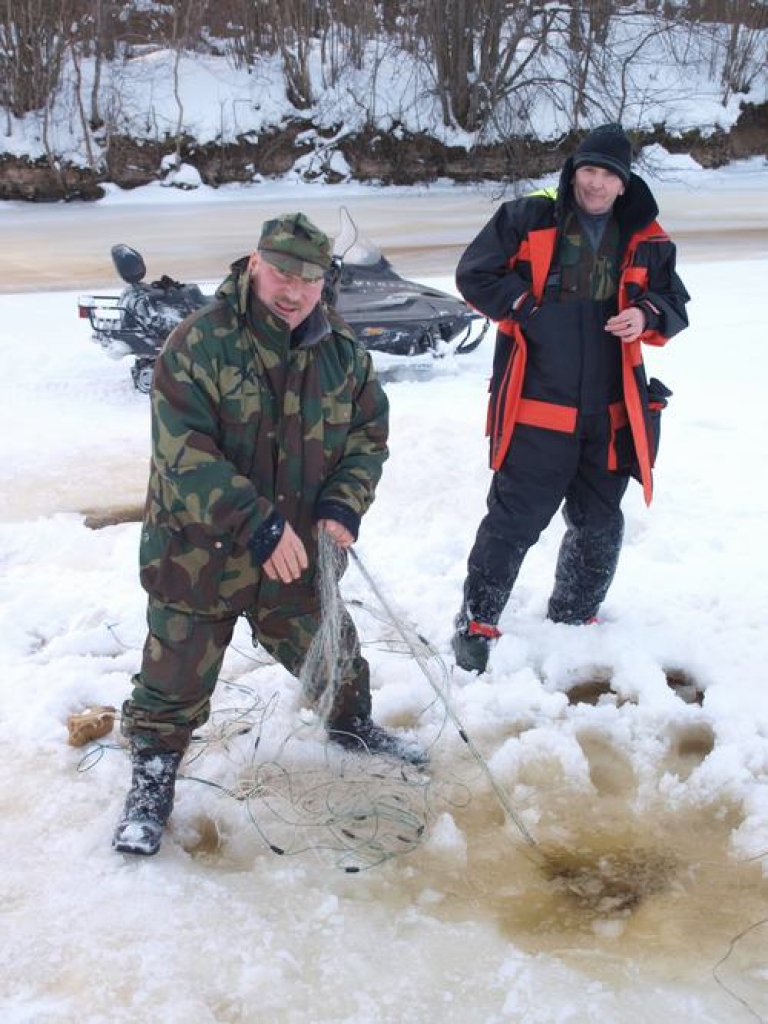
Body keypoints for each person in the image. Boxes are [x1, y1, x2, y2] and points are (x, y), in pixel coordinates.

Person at [114, 212, 425, 857]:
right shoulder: (199, 343)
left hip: (298, 556)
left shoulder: (342, 354)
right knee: (171, 680)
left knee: (335, 656)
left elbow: (369, 440)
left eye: (310, 277)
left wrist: (342, 506)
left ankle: (352, 726)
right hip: (201, 554)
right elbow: (183, 456)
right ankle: (151, 777)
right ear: (255, 263)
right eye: (282, 271)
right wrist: (258, 524)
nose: (294, 289)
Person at [451, 123, 690, 673]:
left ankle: (575, 616)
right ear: (573, 170)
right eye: (588, 170)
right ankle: (477, 621)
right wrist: (526, 310)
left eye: (608, 174)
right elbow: (474, 272)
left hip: (609, 411)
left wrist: (647, 314)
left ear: (624, 182)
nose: (596, 183)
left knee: (600, 521)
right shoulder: (529, 216)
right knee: (513, 521)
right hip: (538, 407)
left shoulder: (648, 237)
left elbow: (674, 301)